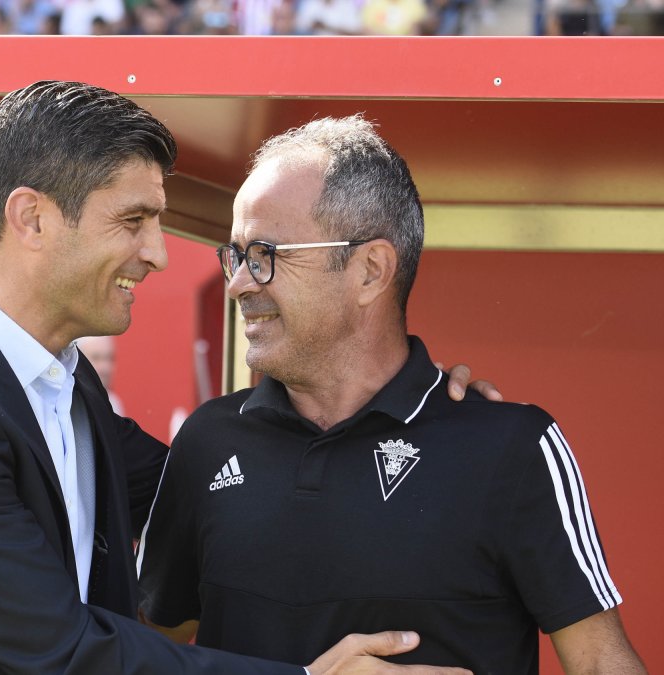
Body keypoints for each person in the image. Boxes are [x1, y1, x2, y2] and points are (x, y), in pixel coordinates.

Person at [0, 80, 483, 675]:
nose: (158, 253)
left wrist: (418, 412)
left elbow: (234, 488)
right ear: (31, 218)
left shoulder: (64, 383)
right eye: (133, 221)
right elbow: (66, 652)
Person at [136, 116, 646, 672]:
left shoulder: (514, 447)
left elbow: (602, 663)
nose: (238, 282)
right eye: (234, 255)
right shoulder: (208, 440)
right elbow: (146, 646)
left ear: (371, 271)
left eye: (265, 254)